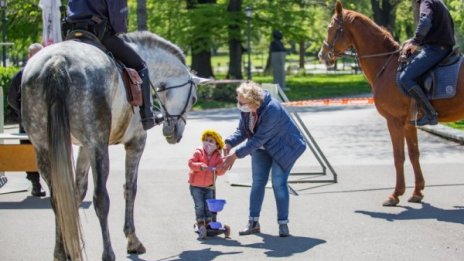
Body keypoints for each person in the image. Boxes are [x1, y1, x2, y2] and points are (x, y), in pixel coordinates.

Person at [220, 81, 306, 237]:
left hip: (284, 147)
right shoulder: (247, 109)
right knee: (258, 182)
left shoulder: (272, 109)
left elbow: (258, 138)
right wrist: (228, 144)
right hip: (262, 147)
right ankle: (253, 223)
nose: (240, 105)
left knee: (278, 182)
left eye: (242, 102)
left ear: (253, 101)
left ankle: (283, 224)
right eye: (238, 101)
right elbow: (243, 130)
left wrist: (235, 155)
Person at [64, 0, 161, 130]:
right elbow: (119, 24)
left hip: (71, 33)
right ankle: (147, 117)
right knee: (141, 66)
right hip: (99, 34)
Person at [398, 0, 455, 126]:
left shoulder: (426, 2)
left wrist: (415, 42)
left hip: (435, 50)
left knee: (405, 78)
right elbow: (437, 29)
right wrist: (414, 40)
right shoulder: (438, 2)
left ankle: (430, 114)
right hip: (444, 48)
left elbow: (425, 21)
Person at [7, 43, 46, 197]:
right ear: (29, 56)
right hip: (27, 124)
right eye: (34, 55)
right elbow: (11, 99)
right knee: (29, 153)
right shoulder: (21, 74)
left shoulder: (48, 74)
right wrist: (22, 113)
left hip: (47, 124)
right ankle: (35, 184)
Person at [188, 130, 228, 240]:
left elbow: (219, 172)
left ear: (217, 144)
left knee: (209, 206)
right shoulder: (199, 152)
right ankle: (201, 222)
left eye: (211, 141)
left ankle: (209, 223)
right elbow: (191, 163)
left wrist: (222, 167)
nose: (207, 143)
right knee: (199, 205)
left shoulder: (217, 156)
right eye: (206, 140)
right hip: (196, 185)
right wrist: (200, 166)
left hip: (209, 186)